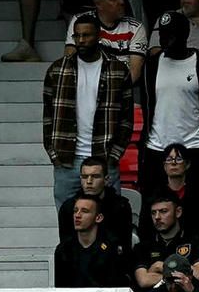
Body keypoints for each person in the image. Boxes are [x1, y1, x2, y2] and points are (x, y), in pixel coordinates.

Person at [42, 15, 134, 207]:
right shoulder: (57, 70)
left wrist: (115, 154)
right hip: (67, 160)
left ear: (99, 36)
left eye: (86, 35)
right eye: (77, 36)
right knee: (67, 221)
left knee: (109, 219)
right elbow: (48, 117)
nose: (81, 40)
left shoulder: (117, 70)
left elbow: (126, 119)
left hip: (104, 158)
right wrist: (54, 154)